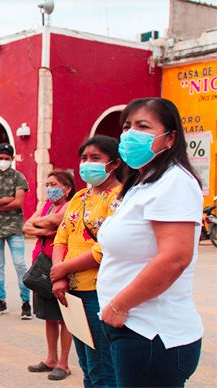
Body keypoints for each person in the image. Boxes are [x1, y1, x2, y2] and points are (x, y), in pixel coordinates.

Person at [97, 98, 204, 387]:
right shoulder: (143, 182)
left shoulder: (175, 183)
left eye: (143, 126)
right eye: (127, 126)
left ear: (170, 138)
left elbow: (174, 259)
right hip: (131, 327)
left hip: (152, 334)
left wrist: (119, 306)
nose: (131, 134)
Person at [49, 135, 122, 387]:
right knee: (86, 366)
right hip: (71, 292)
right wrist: (59, 276)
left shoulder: (119, 197)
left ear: (113, 163)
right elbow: (61, 237)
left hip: (98, 291)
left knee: (102, 367)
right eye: (84, 158)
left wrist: (62, 269)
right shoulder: (79, 197)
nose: (87, 163)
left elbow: (106, 248)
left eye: (95, 158)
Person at [24, 170, 75, 381]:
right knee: (49, 317)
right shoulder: (44, 206)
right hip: (41, 265)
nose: (49, 188)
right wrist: (46, 230)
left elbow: (56, 221)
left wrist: (43, 225)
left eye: (54, 184)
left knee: (65, 318)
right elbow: (26, 226)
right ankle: (50, 358)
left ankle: (64, 363)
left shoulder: (70, 206)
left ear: (67, 188)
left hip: (61, 265)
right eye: (47, 184)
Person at [0, 143, 31, 318]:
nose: (3, 161)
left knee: (19, 264)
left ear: (12, 159)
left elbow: (18, 203)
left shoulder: (19, 177)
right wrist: (5, 201)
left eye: (7, 158)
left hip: (14, 228)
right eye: (0, 158)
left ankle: (26, 302)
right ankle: (1, 301)